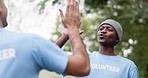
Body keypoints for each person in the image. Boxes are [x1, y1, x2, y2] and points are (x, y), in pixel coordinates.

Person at [0, 0, 90, 78]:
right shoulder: (29, 43)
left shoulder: (29, 45)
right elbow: (83, 67)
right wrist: (72, 28)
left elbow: (46, 54)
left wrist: (65, 35)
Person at [56, 19, 139, 78]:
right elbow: (49, 56)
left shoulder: (128, 66)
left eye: (109, 29)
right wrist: (66, 35)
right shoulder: (84, 58)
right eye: (101, 29)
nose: (103, 31)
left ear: (117, 38)